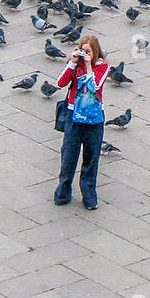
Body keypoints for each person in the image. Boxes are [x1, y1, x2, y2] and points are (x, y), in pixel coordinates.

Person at [55, 35, 109, 210]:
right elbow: (60, 82)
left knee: (91, 156)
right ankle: (63, 192)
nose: (85, 54)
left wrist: (87, 66)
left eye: (88, 51)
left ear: (95, 52)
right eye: (82, 50)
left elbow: (95, 86)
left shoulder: (103, 67)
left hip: (94, 118)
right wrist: (72, 63)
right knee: (69, 155)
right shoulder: (75, 65)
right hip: (74, 115)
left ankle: (89, 195)